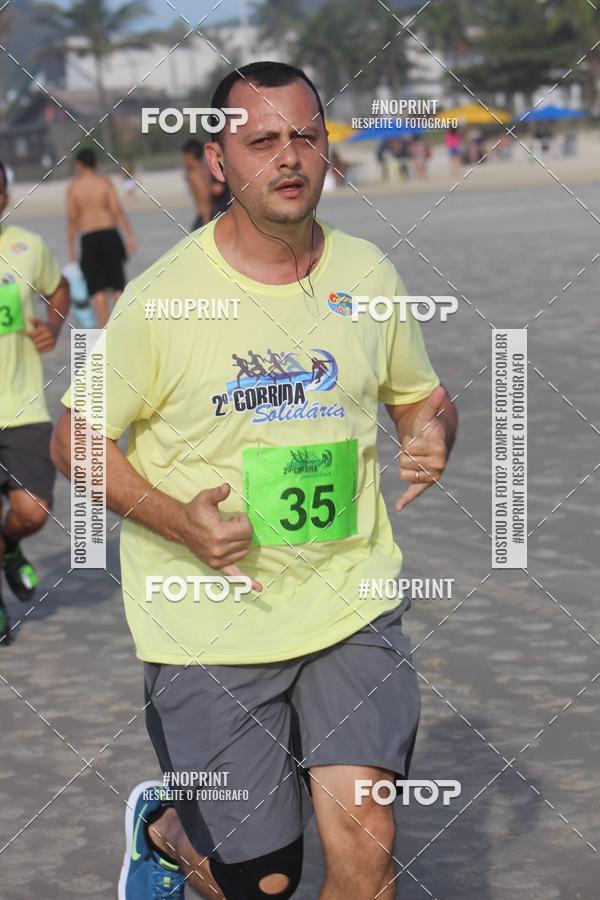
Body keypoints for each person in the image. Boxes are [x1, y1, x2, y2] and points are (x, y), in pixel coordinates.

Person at [52, 61, 457, 899]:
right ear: (216, 162)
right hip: (209, 626)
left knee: (367, 836)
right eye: (262, 139)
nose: (289, 157)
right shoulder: (164, 300)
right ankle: (167, 833)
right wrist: (176, 519)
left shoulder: (369, 275)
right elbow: (72, 440)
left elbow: (424, 398)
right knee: (263, 881)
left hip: (350, 600)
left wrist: (431, 434)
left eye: (305, 135)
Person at [0, 159, 70, 645]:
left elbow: (59, 287)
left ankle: (8, 547)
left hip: (23, 407)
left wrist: (53, 325)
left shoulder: (25, 248)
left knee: (34, 511)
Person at [66, 147, 136, 327]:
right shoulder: (104, 183)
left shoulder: (74, 188)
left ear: (79, 165)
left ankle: (105, 329)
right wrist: (129, 235)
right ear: (95, 164)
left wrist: (72, 249)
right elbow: (116, 210)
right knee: (117, 284)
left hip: (89, 238)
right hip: (110, 234)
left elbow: (72, 220)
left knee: (96, 288)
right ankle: (122, 325)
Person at [182, 139, 231, 230]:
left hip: (205, 217)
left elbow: (205, 197)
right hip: (213, 215)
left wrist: (206, 222)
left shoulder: (194, 175)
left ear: (190, 156)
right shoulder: (205, 169)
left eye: (184, 156)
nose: (183, 159)